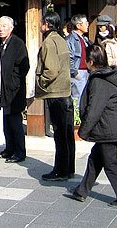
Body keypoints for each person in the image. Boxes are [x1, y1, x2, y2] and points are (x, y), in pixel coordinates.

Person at [65, 45, 117, 207]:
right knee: (95, 158)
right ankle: (82, 191)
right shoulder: (107, 76)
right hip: (110, 124)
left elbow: (94, 109)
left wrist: (84, 131)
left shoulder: (99, 81)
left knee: (110, 162)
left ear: (91, 62)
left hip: (108, 127)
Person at [36, 11, 76, 181]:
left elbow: (51, 70)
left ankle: (60, 170)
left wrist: (41, 82)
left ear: (47, 24)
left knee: (60, 134)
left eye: (41, 22)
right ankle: (69, 168)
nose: (39, 25)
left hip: (55, 92)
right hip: (65, 90)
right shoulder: (61, 39)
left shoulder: (49, 42)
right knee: (67, 134)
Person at [0, 16, 30, 163]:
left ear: (11, 27)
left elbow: (24, 66)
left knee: (15, 122)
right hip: (3, 89)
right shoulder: (0, 44)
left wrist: (13, 82)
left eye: (4, 26)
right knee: (6, 121)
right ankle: (9, 149)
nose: (1, 29)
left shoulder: (17, 43)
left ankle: (20, 152)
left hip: (14, 90)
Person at [66, 14, 91, 101]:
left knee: (85, 98)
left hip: (86, 71)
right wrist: (74, 72)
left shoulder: (84, 39)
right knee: (78, 98)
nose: (88, 25)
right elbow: (69, 57)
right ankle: (77, 115)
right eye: (86, 23)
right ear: (78, 25)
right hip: (78, 71)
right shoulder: (71, 39)